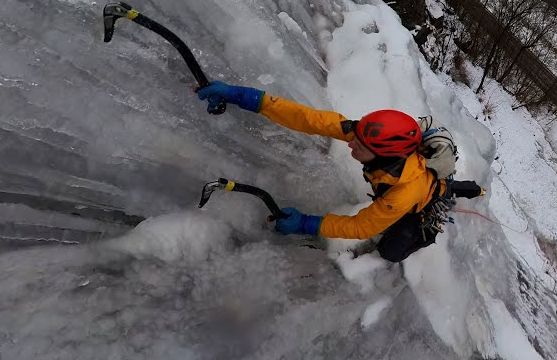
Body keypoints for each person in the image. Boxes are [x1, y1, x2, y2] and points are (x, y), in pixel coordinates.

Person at [196, 81, 482, 262]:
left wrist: (306, 224)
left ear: (384, 155)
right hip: (410, 183)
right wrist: (243, 97)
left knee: (391, 251)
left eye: (360, 146)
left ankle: (448, 203)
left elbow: (362, 226)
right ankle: (459, 188)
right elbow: (309, 119)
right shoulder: (369, 137)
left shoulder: (402, 193)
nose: (351, 143)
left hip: (419, 202)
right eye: (355, 137)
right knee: (437, 189)